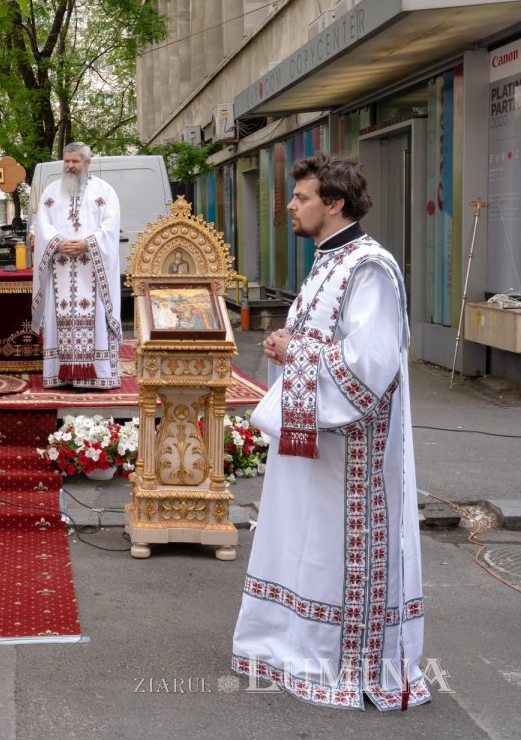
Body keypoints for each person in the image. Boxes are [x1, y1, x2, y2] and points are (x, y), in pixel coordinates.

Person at [232, 155, 428, 711]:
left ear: (334, 203)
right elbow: (318, 336)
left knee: (336, 549)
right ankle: (293, 647)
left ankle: (352, 660)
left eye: (301, 198)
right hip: (317, 437)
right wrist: (285, 346)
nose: (291, 207)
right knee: (303, 541)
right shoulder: (328, 260)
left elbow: (371, 364)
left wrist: (296, 350)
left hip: (355, 450)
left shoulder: (370, 267)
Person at [32, 141, 122, 389]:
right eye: (67, 161)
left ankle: (98, 376)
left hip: (92, 269)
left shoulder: (105, 192)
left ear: (87, 163)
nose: (70, 166)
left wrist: (88, 244)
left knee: (96, 320)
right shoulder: (51, 192)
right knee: (57, 317)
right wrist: (57, 243)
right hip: (59, 267)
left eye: (75, 161)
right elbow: (43, 226)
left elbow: (110, 228)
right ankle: (60, 375)